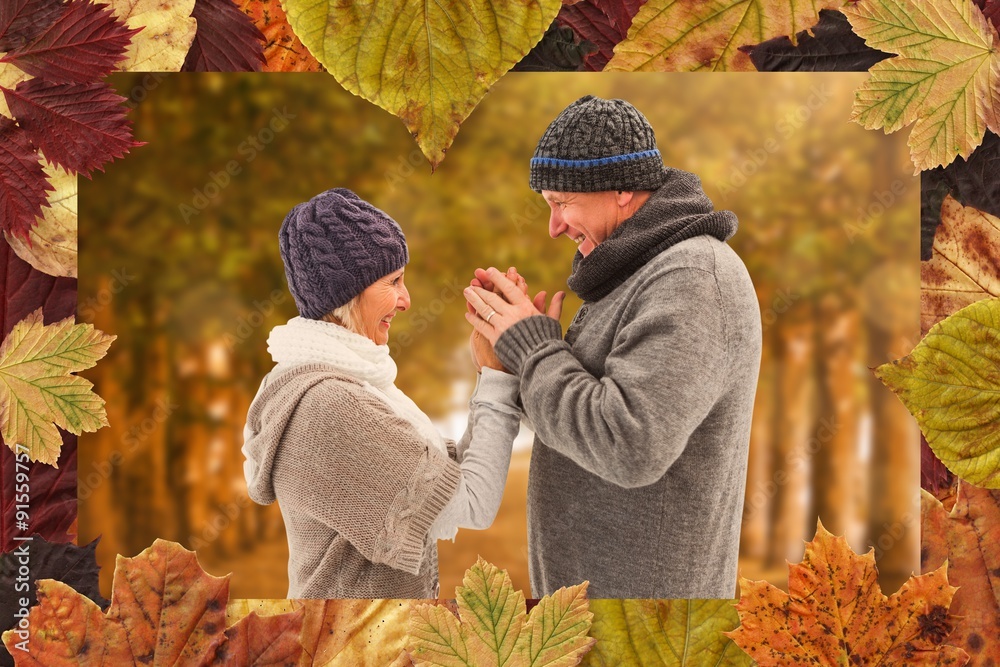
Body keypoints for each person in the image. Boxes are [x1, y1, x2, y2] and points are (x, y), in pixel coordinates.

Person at [464, 95, 762, 598]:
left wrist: (538, 354)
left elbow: (630, 445)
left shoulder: (688, 278)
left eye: (562, 203)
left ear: (622, 189)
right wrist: (514, 363)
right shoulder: (634, 271)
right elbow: (583, 422)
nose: (553, 227)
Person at [241, 188, 522, 599]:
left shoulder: (344, 384)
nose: (406, 300)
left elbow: (449, 475)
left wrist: (488, 369)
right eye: (393, 282)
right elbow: (472, 502)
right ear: (346, 296)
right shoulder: (329, 407)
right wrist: (499, 378)